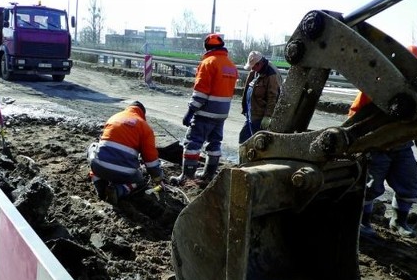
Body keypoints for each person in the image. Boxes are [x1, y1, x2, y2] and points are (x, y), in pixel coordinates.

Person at [349, 45, 417, 238]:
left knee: (409, 183)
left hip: (402, 146)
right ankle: (362, 222)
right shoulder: (376, 85)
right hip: (376, 145)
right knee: (370, 186)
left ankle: (399, 221)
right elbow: (355, 118)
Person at [169, 33, 238, 185]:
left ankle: (187, 177)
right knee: (214, 143)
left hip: (205, 112)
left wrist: (190, 112)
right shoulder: (230, 66)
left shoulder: (208, 63)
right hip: (221, 114)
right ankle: (208, 175)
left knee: (192, 143)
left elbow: (201, 92)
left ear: (207, 47)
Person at [87, 101, 164, 204]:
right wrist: (158, 179)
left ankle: (99, 184)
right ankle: (118, 191)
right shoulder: (145, 127)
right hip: (124, 174)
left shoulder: (114, 117)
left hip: (100, 167)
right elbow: (151, 161)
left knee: (92, 147)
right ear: (142, 114)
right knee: (139, 180)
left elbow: (104, 142)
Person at [239, 51, 282, 144]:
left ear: (260, 63)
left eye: (254, 66)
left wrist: (268, 116)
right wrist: (245, 108)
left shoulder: (271, 75)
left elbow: (273, 97)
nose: (253, 69)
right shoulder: (255, 70)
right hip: (250, 112)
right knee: (243, 139)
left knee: (256, 143)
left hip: (259, 116)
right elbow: (247, 88)